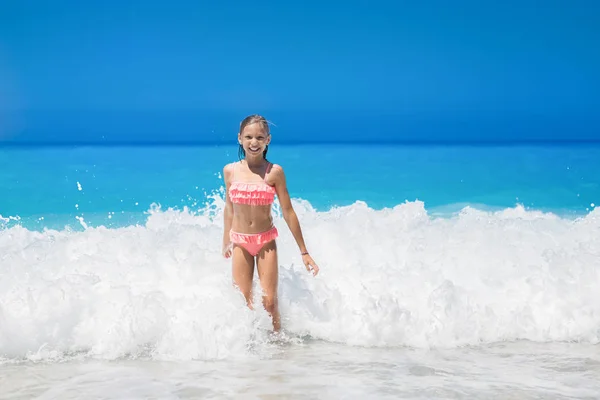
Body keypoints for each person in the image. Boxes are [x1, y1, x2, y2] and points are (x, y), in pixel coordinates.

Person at [222, 114, 319, 332]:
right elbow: (229, 208)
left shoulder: (274, 172)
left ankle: (277, 352)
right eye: (248, 137)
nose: (253, 142)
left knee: (269, 302)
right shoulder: (230, 171)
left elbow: (288, 212)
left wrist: (304, 252)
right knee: (242, 302)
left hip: (265, 241)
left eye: (259, 137)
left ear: (268, 140)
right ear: (239, 138)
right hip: (240, 242)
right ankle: (246, 349)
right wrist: (225, 240)